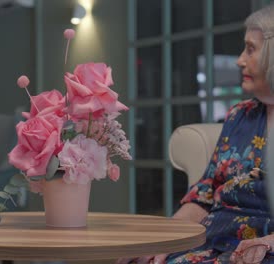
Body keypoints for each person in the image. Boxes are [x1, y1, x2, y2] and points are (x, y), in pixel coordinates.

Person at [117, 4, 274, 264]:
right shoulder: (239, 116)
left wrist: (267, 243)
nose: (239, 60)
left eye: (250, 49)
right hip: (210, 242)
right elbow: (204, 195)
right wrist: (164, 238)